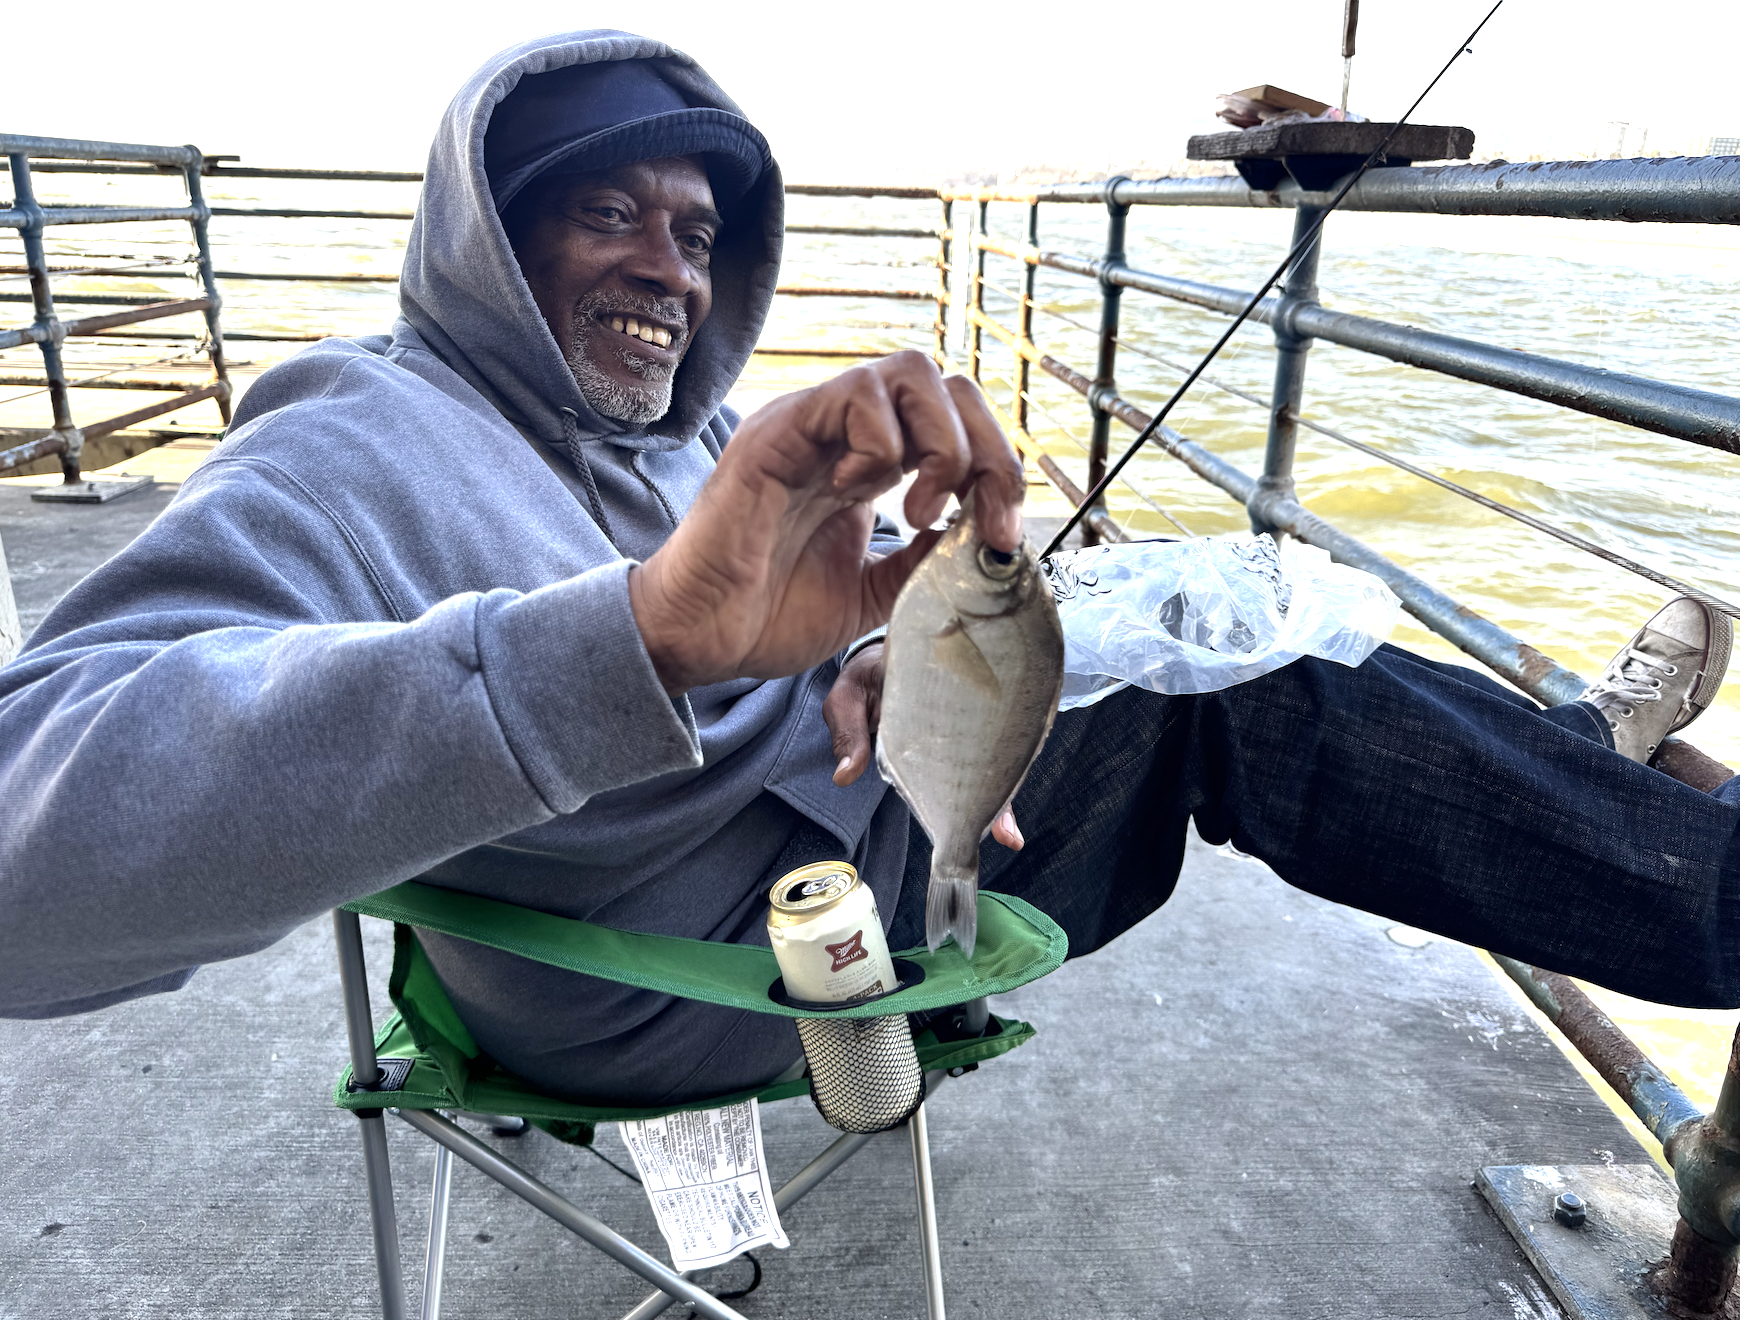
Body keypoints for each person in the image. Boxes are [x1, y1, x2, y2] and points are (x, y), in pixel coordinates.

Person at [0, 31, 1734, 1108]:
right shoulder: (351, 444)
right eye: (605, 215)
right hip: (693, 977)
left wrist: (862, 658)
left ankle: (1572, 754)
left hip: (832, 832)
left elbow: (777, 658)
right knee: (1263, 702)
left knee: (1200, 618)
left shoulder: (679, 426)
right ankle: (1660, 845)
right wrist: (638, 643)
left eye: (696, 232)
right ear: (486, 233)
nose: (665, 272)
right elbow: (27, 862)